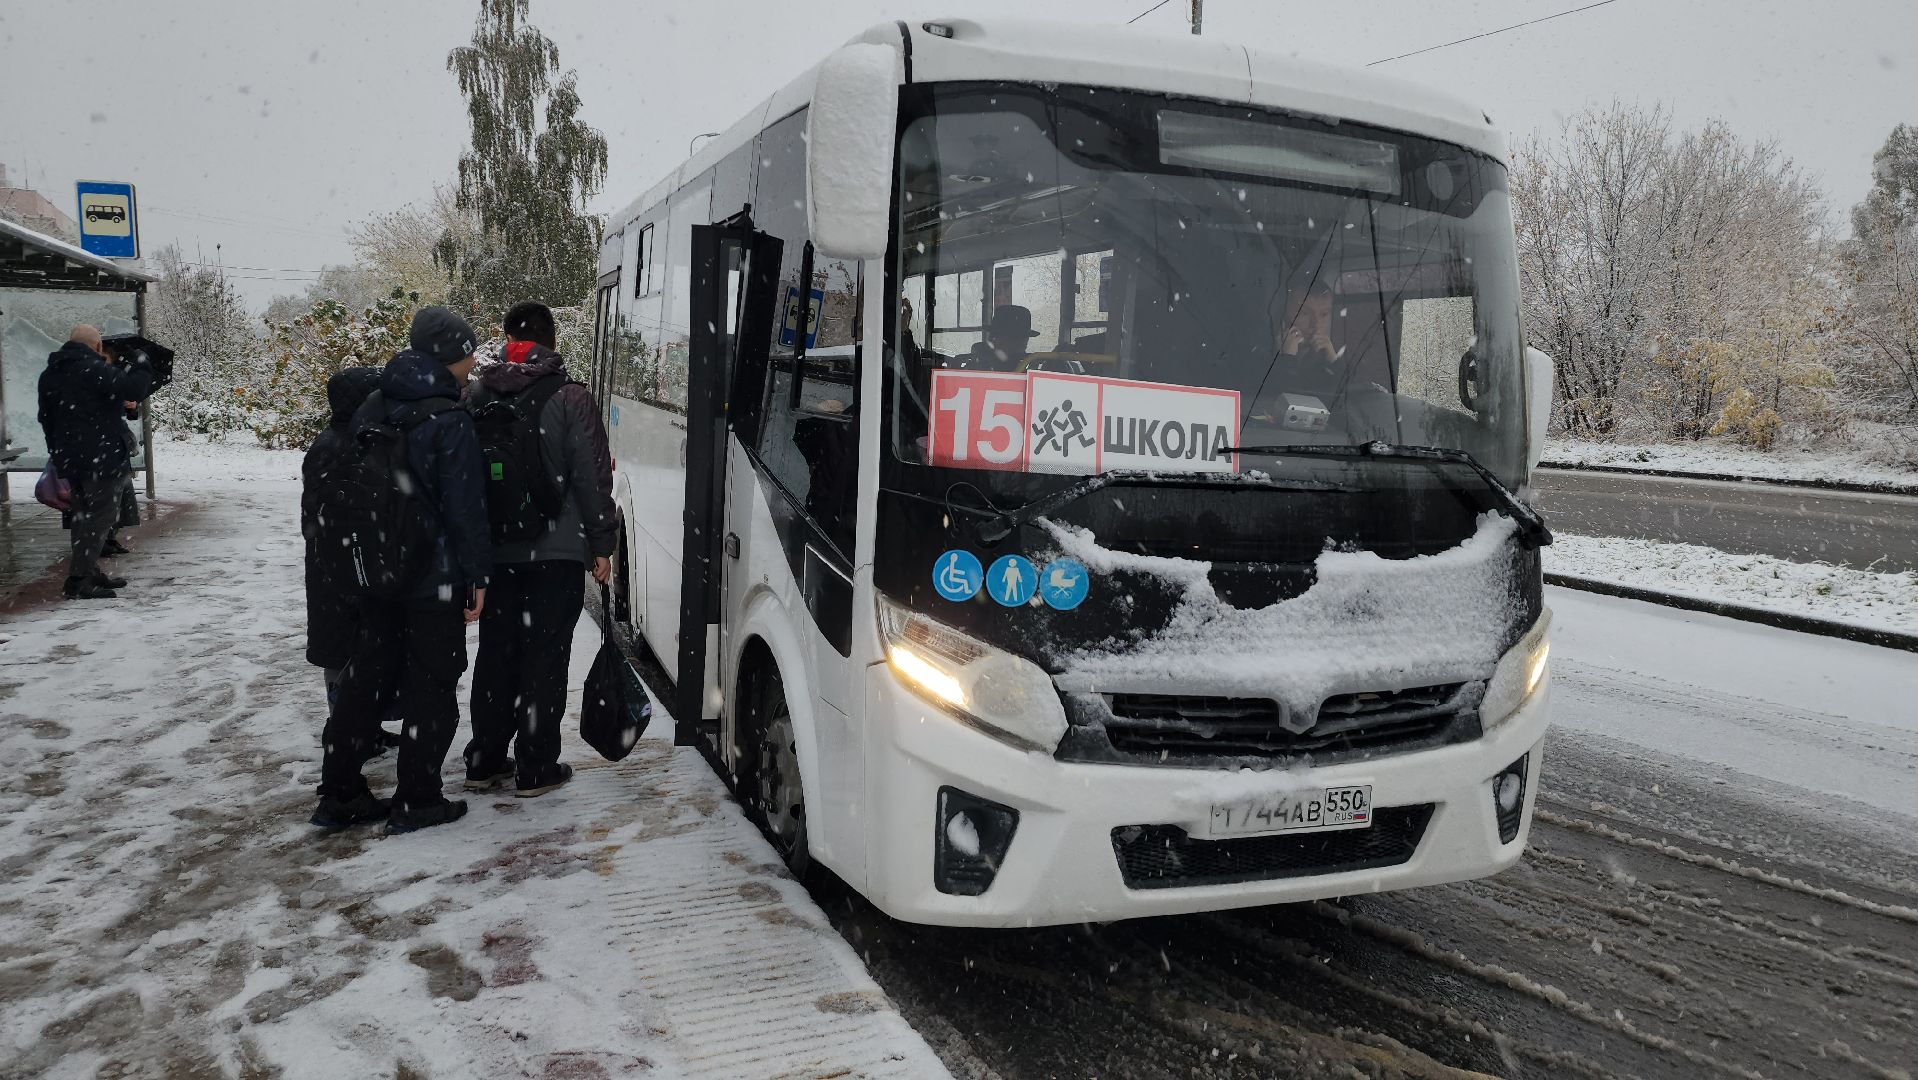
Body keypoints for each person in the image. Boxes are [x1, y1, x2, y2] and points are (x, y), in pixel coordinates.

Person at [311, 307, 490, 834]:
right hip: (430, 575)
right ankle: (418, 798)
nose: (473, 361)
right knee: (434, 683)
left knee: (365, 679)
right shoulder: (448, 420)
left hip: (376, 570)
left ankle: (340, 791)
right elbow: (465, 507)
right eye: (467, 352)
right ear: (448, 355)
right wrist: (476, 577)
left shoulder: (374, 404)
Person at [461, 301, 615, 798]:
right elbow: (593, 477)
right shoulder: (570, 398)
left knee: (497, 653)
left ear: (506, 337)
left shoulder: (475, 394)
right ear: (550, 340)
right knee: (545, 657)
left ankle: (484, 758)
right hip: (556, 550)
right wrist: (601, 544)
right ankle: (535, 765)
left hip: (498, 550)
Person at [301, 366, 400, 754]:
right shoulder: (348, 445)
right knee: (347, 651)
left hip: (333, 563)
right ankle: (345, 730)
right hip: (346, 564)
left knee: (347, 648)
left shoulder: (332, 441)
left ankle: (359, 727)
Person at [36, 325, 155, 600]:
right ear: (98, 347)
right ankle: (79, 579)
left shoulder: (51, 374)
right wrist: (141, 362)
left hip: (72, 460)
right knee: (100, 518)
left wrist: (58, 452)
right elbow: (135, 388)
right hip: (100, 459)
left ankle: (87, 571)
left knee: (82, 517)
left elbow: (46, 418)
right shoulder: (94, 369)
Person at [966, 305, 1040, 370]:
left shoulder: (1028, 364)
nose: (1022, 341)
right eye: (1014, 337)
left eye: (1024, 336)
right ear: (996, 338)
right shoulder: (976, 369)